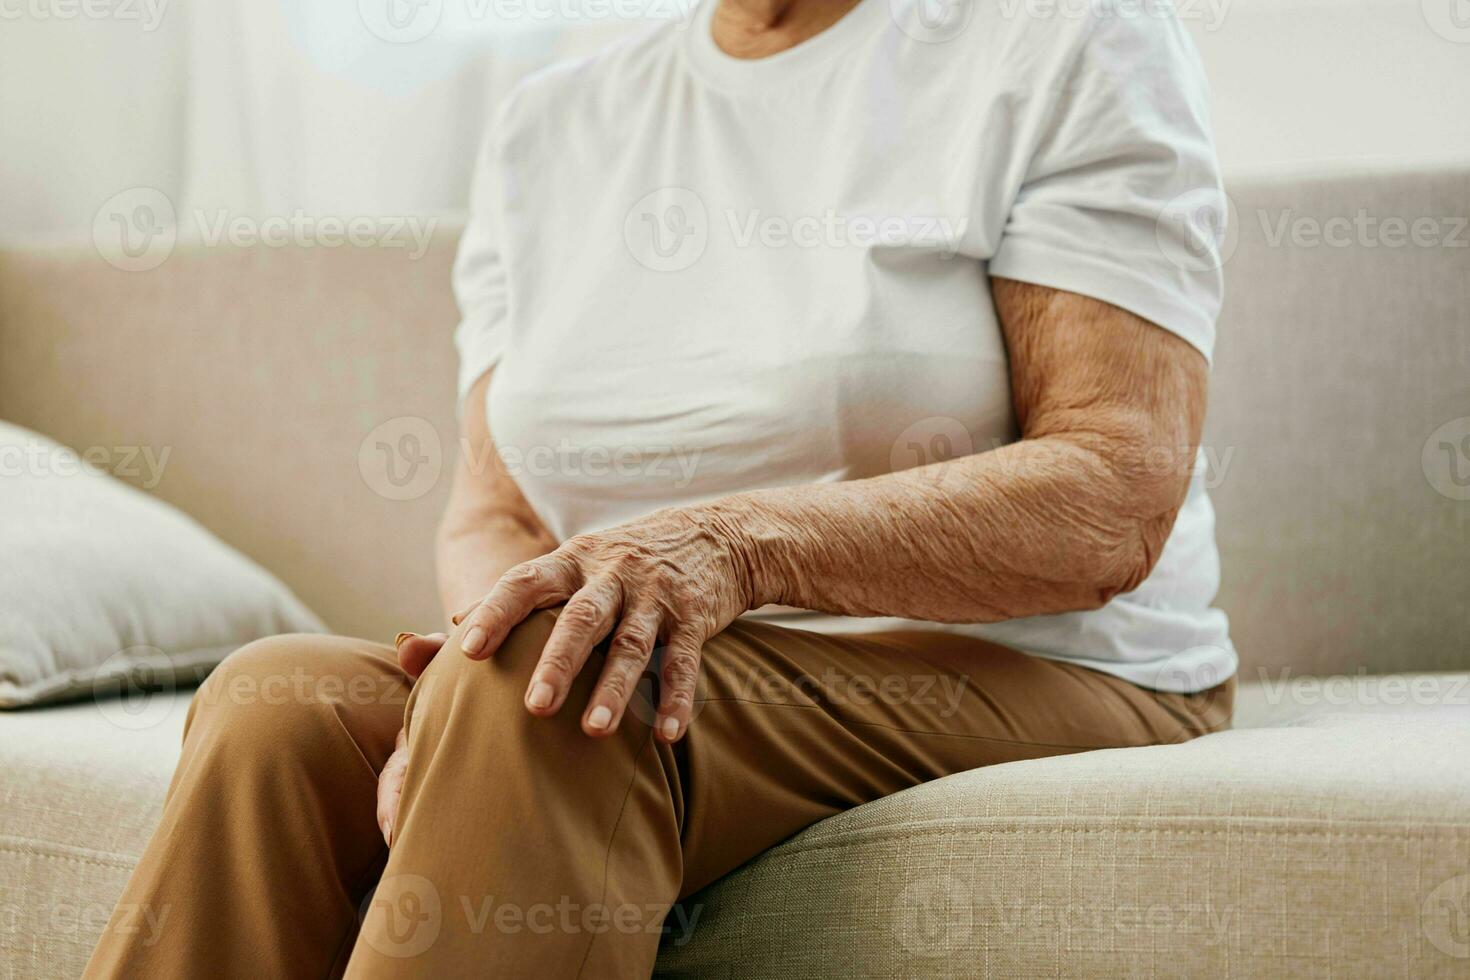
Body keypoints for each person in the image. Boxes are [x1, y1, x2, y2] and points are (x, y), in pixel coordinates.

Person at [86, 0, 1236, 974]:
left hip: (1040, 659)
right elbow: (500, 513)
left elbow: (1114, 490)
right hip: (685, 669)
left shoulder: (1062, 39)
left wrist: (737, 547)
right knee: (274, 705)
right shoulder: (554, 122)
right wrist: (465, 676)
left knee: (559, 679)